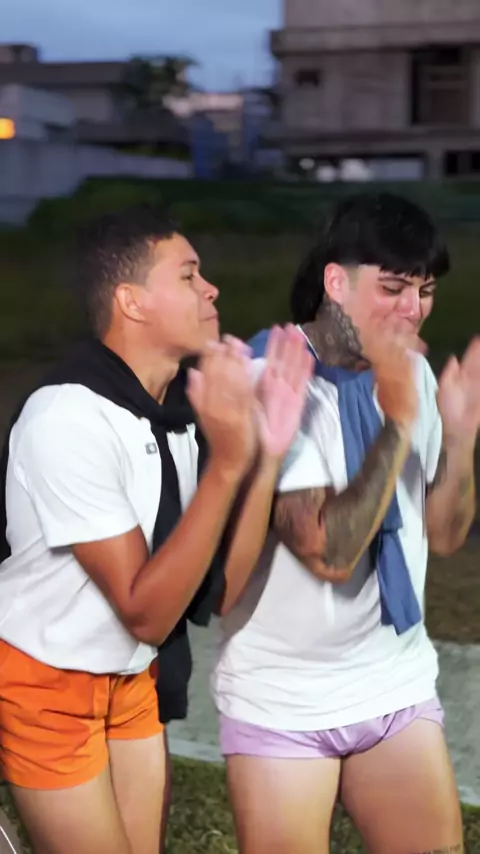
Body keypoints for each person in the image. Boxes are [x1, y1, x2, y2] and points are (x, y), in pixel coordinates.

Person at [0, 205, 313, 854]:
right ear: (131, 301)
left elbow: (219, 592)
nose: (212, 289)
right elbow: (145, 612)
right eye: (189, 275)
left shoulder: (172, 418)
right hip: (46, 680)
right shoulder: (69, 416)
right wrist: (228, 464)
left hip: (129, 677)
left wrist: (266, 455)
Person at [212, 191, 480, 854]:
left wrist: (461, 439)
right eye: (393, 288)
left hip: (394, 682)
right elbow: (328, 551)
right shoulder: (272, 376)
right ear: (336, 281)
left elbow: (444, 535)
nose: (413, 309)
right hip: (285, 698)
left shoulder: (412, 373)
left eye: (425, 290)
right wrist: (398, 421)